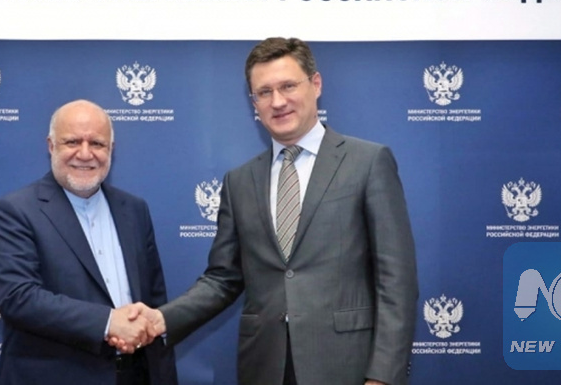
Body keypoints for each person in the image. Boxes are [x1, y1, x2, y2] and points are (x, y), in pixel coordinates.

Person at [116, 37, 418, 385]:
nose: (277, 101)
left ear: (316, 84)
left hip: (346, 366)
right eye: (264, 92)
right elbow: (222, 280)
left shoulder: (368, 162)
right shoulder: (239, 181)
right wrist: (161, 319)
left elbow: (396, 281)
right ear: (254, 102)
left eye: (288, 86)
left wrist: (383, 377)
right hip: (264, 367)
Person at [0, 99, 177, 385]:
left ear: (111, 149)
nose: (85, 154)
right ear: (51, 146)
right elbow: (18, 297)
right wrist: (109, 322)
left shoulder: (134, 210)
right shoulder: (15, 211)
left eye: (97, 143)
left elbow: (154, 299)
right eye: (72, 142)